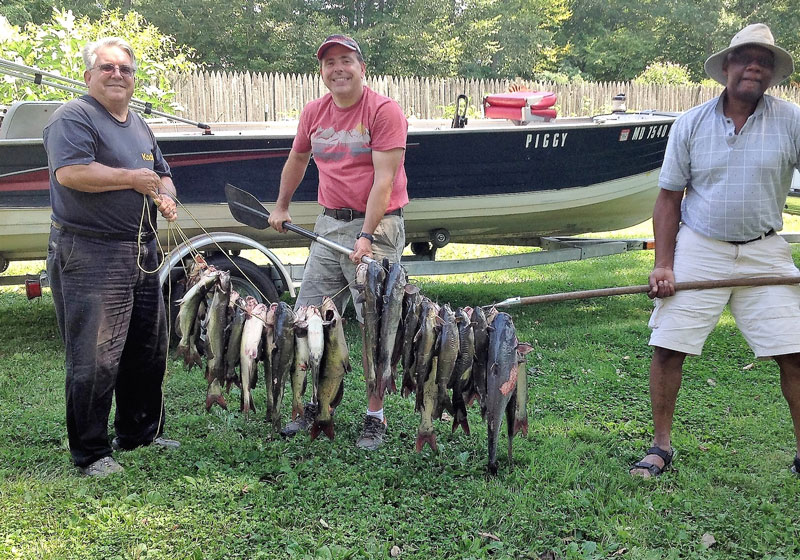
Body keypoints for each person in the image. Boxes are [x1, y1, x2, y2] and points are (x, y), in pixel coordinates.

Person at [630, 23, 800, 478]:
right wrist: (663, 263)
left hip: (765, 250)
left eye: (764, 61)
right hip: (700, 247)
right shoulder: (691, 123)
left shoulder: (792, 120)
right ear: (726, 66)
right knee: (668, 346)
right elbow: (669, 198)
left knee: (796, 352)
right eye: (745, 57)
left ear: (771, 73)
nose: (754, 67)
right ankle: (660, 446)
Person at [43, 37, 181, 477]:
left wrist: (166, 196)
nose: (117, 75)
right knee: (95, 356)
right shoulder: (74, 117)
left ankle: (140, 433)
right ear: (89, 76)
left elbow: (162, 174)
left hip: (141, 249)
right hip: (90, 252)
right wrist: (132, 179)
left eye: (125, 69)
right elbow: (72, 172)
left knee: (147, 348)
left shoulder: (137, 123)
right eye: (107, 68)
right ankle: (91, 453)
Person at [268, 34, 408, 450]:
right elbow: (297, 158)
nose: (338, 69)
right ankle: (317, 403)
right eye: (330, 62)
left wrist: (366, 235)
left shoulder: (383, 111)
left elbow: (384, 180)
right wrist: (281, 206)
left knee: (373, 325)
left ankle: (375, 417)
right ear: (322, 72)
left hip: (378, 228)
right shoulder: (314, 112)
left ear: (362, 67)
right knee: (307, 317)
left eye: (346, 60)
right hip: (328, 227)